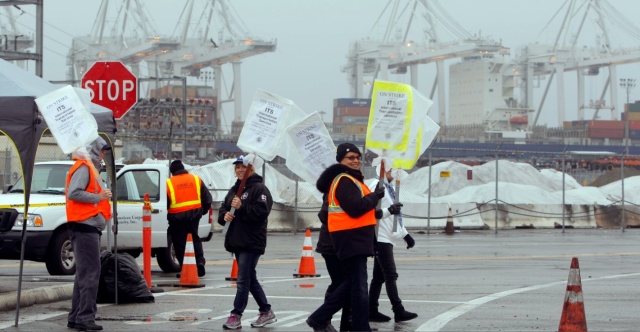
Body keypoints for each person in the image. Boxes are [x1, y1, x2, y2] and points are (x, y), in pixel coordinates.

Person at [307, 143, 384, 332]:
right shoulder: (343, 180)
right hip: (349, 239)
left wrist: (376, 209)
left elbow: (357, 209)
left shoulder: (350, 180)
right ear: (341, 160)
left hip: (352, 239)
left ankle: (348, 324)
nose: (356, 160)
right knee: (353, 286)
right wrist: (374, 197)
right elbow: (355, 208)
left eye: (358, 157)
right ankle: (322, 318)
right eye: (351, 158)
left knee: (353, 286)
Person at [218, 156, 277, 330]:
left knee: (243, 279)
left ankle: (236, 315)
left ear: (251, 169)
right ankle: (266, 311)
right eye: (237, 167)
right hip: (237, 240)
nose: (240, 170)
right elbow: (223, 208)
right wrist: (225, 215)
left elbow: (261, 212)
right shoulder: (234, 189)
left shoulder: (260, 189)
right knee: (249, 278)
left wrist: (242, 206)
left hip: (252, 241)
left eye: (243, 167)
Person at [65, 137, 112, 331]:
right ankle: (85, 318)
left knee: (84, 274)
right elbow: (73, 193)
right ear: (93, 150)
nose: (103, 155)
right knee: (90, 274)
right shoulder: (84, 167)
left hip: (87, 226)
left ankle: (77, 317)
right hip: (85, 227)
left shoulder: (90, 168)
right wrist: (99, 197)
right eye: (101, 151)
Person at [367, 169, 418, 323]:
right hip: (380, 238)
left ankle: (371, 310)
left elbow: (394, 217)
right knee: (390, 275)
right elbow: (371, 212)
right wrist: (389, 210)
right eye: (390, 169)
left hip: (388, 238)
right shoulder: (377, 185)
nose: (394, 172)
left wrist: (405, 235)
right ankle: (398, 310)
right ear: (381, 169)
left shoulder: (390, 189)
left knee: (379, 277)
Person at [166, 159, 212, 277]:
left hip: (176, 217)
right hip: (194, 215)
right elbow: (207, 199)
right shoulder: (196, 179)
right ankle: (200, 262)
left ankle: (185, 268)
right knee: (195, 239)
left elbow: (166, 203)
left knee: (180, 243)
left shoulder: (169, 183)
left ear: (172, 172)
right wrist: (202, 212)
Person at [315, 194, 351, 331]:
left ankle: (345, 321)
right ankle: (322, 319)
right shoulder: (336, 187)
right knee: (341, 283)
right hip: (332, 244)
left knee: (346, 283)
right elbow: (324, 214)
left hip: (342, 244)